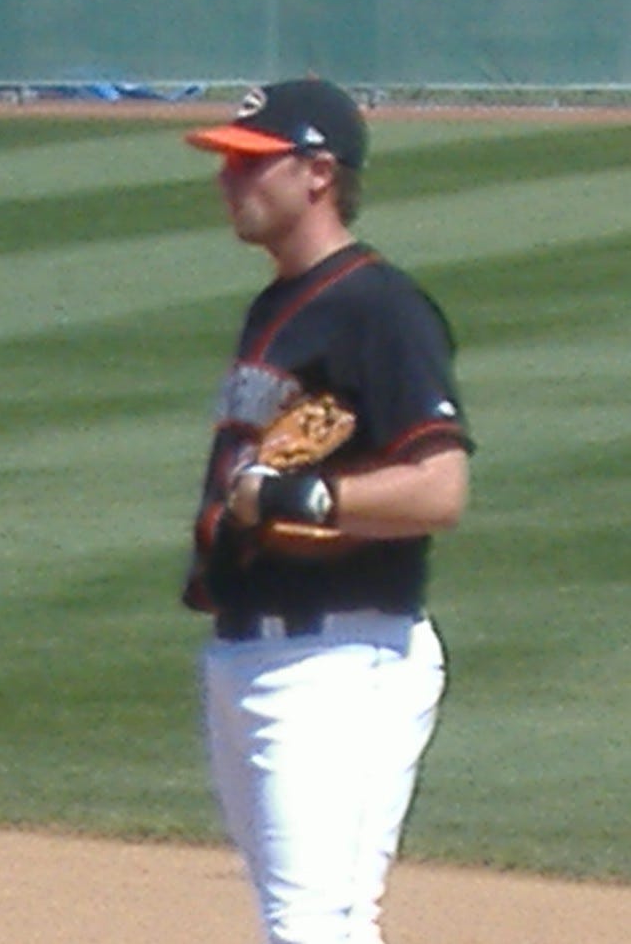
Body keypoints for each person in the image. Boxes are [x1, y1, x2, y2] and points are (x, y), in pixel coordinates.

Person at [182, 78, 474, 944]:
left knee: (312, 924)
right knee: (323, 923)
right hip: (254, 652)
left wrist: (298, 494)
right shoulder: (278, 304)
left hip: (339, 657)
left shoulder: (382, 310)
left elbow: (440, 488)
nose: (229, 182)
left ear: (317, 173)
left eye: (250, 165)